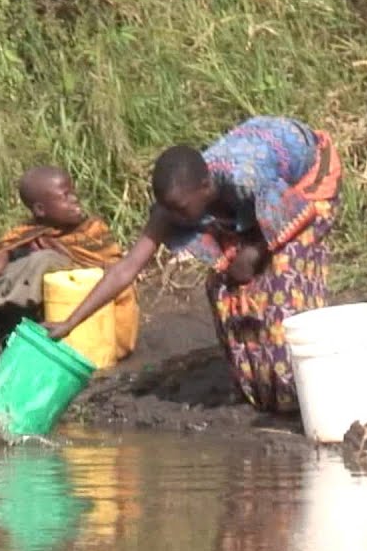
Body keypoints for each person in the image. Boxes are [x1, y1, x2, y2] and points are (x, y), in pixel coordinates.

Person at [45, 116, 342, 413]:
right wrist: (70, 322)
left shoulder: (247, 177)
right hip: (253, 204)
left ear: (205, 186)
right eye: (169, 209)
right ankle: (261, 388)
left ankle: (301, 388)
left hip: (306, 185)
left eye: (181, 208)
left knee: (282, 285)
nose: (175, 217)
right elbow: (127, 268)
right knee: (223, 289)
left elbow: (287, 215)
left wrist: (253, 254)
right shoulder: (176, 204)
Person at [0, 166, 139, 356]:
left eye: (73, 193)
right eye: (65, 196)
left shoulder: (93, 230)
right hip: (55, 322)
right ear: (40, 210)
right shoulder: (26, 235)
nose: (74, 200)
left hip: (103, 326)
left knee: (45, 261)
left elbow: (116, 275)